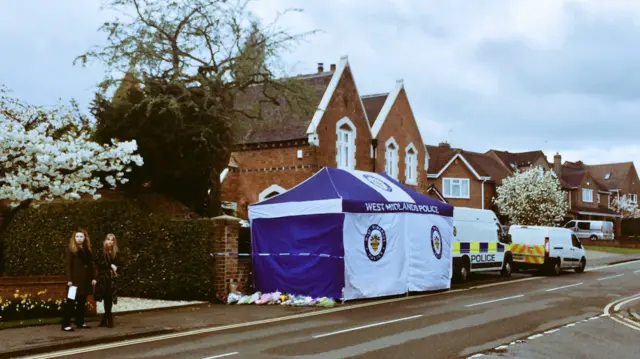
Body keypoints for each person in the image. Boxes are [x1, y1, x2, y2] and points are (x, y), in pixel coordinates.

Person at [62, 230, 96, 332]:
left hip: (85, 281)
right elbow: (68, 266)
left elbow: (91, 266)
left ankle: (80, 322)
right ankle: (65, 324)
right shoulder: (71, 250)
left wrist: (94, 278)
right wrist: (69, 279)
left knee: (82, 302)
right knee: (70, 303)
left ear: (85, 238)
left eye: (81, 236)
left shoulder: (87, 250)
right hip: (74, 282)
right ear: (74, 238)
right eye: (77, 236)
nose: (79, 238)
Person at [94, 233, 122, 328]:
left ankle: (106, 319)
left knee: (109, 298)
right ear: (105, 240)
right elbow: (98, 262)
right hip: (103, 278)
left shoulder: (116, 252)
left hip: (112, 278)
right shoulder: (101, 251)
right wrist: (109, 265)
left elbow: (120, 264)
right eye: (108, 239)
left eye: (112, 240)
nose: (110, 241)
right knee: (106, 297)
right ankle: (108, 318)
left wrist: (116, 267)